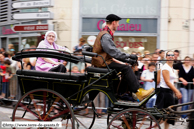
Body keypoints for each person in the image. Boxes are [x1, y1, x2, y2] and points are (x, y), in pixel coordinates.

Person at [92, 14, 154, 101]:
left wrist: (128, 59)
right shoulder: (106, 35)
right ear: (113, 22)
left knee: (126, 67)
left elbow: (112, 53)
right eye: (117, 23)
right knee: (126, 68)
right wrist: (129, 56)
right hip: (103, 63)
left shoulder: (106, 34)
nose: (118, 25)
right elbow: (113, 52)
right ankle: (137, 92)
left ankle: (123, 93)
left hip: (105, 62)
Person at [155, 51, 182, 129]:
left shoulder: (171, 68)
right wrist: (176, 91)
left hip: (168, 92)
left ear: (174, 57)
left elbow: (170, 82)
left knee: (169, 115)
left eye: (172, 55)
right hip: (164, 93)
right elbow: (167, 82)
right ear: (166, 57)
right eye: (168, 55)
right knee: (163, 115)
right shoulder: (165, 67)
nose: (170, 56)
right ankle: (155, 127)